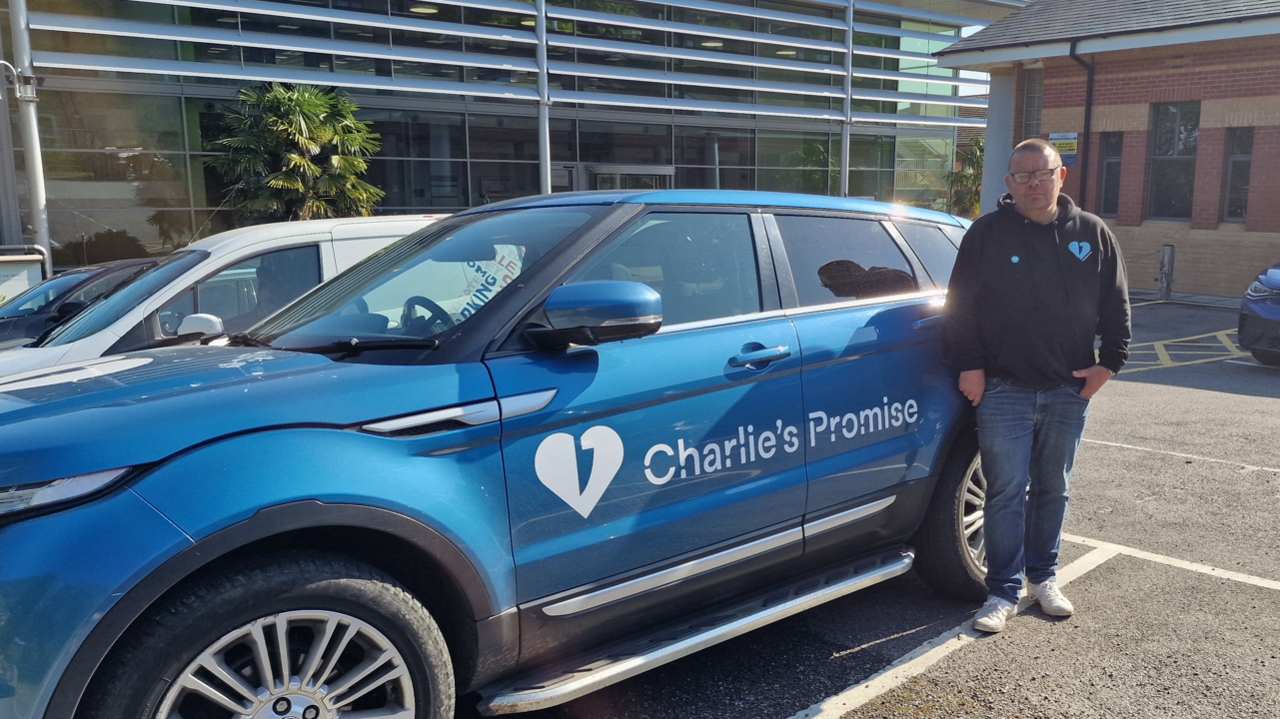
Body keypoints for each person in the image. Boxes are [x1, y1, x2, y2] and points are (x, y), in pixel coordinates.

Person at [945, 138, 1130, 633]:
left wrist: (1108, 365)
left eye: (1042, 173)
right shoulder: (986, 234)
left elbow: (1116, 305)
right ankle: (1002, 592)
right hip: (1003, 389)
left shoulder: (1091, 233)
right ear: (1009, 184)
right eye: (1022, 176)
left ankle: (1043, 579)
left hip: (1068, 390)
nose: (1033, 183)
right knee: (1005, 492)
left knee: (1053, 488)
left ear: (1061, 175)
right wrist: (970, 366)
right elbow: (959, 307)